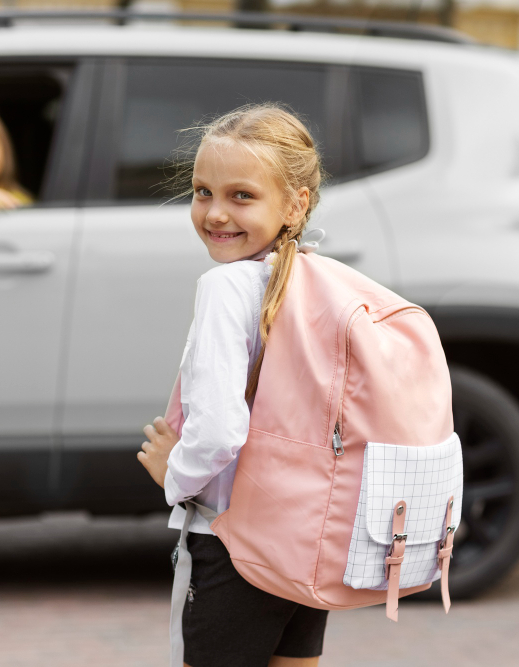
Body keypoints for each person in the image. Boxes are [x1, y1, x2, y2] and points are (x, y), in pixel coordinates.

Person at [137, 103, 328, 667]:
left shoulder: (227, 286)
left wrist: (176, 474)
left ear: (296, 203)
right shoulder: (314, 277)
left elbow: (220, 430)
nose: (215, 213)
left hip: (231, 543)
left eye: (241, 196)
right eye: (202, 192)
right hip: (300, 539)